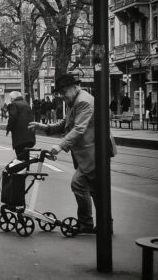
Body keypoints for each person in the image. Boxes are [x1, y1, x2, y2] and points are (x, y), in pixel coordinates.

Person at [29, 74, 117, 234]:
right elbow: (66, 123)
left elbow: (79, 128)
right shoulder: (74, 101)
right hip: (89, 153)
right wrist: (44, 127)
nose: (62, 96)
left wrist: (60, 146)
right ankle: (103, 224)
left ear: (74, 87)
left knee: (79, 184)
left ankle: (88, 223)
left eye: (63, 92)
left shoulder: (83, 101)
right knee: (96, 190)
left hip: (95, 152)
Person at [6, 91, 36, 161]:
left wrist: (8, 128)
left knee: (20, 154)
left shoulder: (14, 104)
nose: (10, 100)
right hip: (29, 134)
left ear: (13, 98)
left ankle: (21, 169)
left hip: (19, 134)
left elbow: (12, 118)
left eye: (10, 98)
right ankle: (26, 169)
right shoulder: (26, 103)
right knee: (26, 153)